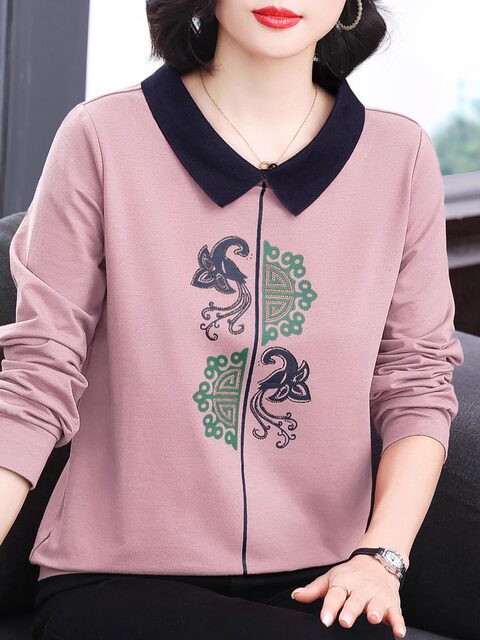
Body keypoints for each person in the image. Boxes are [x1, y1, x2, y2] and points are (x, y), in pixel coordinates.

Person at [0, 1, 464, 638]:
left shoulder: (398, 156)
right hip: (119, 578)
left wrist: (380, 558)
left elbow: (416, 380)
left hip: (324, 579)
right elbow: (38, 376)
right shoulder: (103, 138)